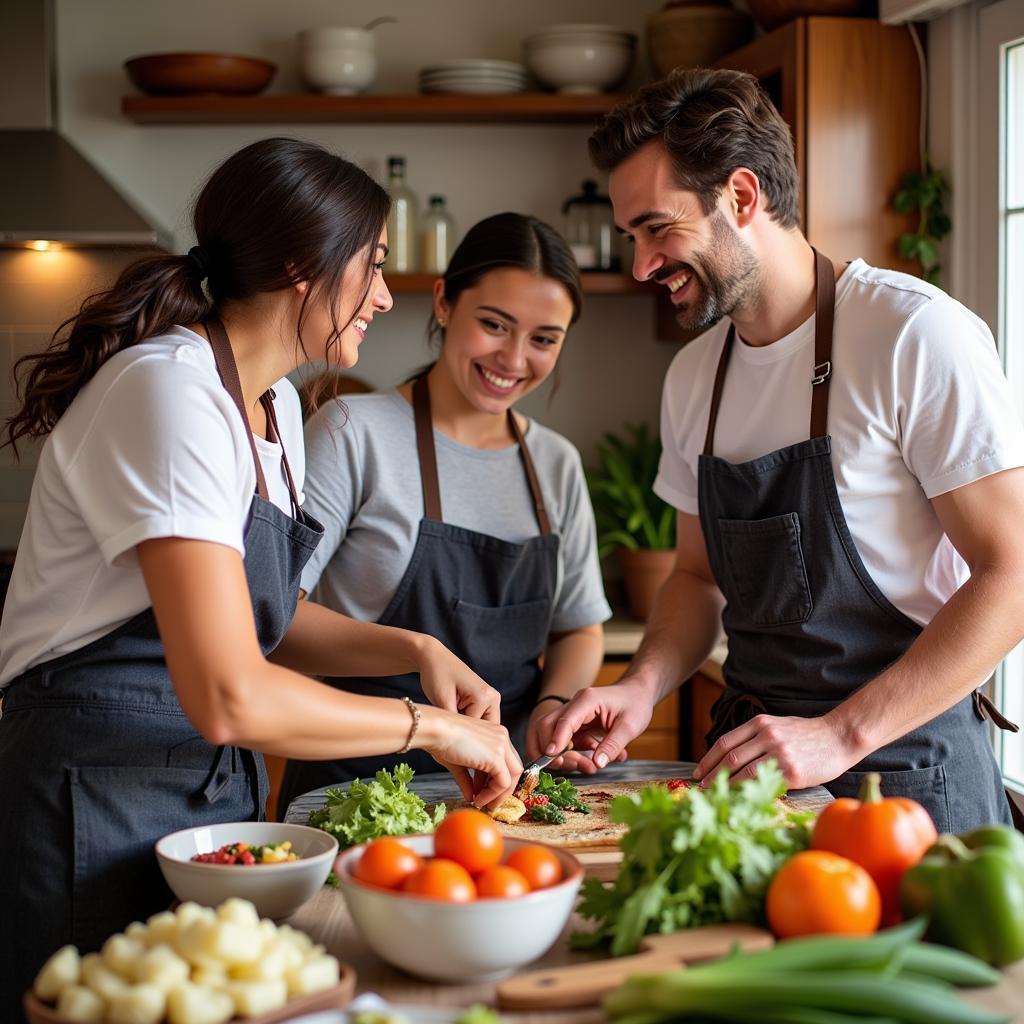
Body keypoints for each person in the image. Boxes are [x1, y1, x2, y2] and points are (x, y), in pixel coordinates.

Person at [0, 137, 522, 1016]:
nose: (387, 295)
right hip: (91, 796)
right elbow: (230, 694)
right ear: (301, 266)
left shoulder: (272, 401)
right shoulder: (168, 392)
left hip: (195, 795)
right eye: (375, 266)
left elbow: (263, 614)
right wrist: (427, 726)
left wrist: (416, 646)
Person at [538, 68, 1024, 834]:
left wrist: (840, 735)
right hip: (749, 781)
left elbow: (1014, 573)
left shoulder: (914, 336)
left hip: (907, 783)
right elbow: (695, 579)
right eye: (632, 236)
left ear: (741, 196)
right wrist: (641, 687)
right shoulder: (695, 374)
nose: (640, 266)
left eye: (658, 229)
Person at [278, 212, 612, 815]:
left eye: (544, 338)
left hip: (502, 793)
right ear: (443, 304)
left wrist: (552, 704)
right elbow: (275, 619)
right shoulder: (355, 433)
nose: (514, 358)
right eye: (494, 324)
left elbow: (578, 627)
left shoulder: (554, 462)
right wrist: (419, 648)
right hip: (358, 787)